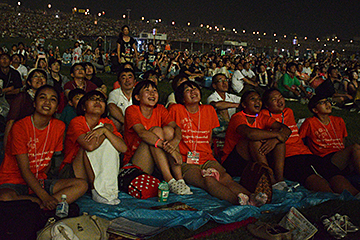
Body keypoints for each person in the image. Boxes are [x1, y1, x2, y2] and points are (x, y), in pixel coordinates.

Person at [169, 81, 267, 206]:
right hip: (186, 161)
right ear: (181, 98)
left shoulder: (208, 110)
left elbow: (209, 139)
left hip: (206, 158)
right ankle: (237, 200)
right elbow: (170, 133)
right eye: (187, 90)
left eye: (195, 88)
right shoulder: (176, 109)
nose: (193, 92)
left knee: (225, 178)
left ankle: (251, 197)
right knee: (208, 180)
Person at [0, 85, 88, 209]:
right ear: (34, 104)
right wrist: (45, 197)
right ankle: (45, 204)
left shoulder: (59, 126)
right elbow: (24, 169)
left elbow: (49, 162)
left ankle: (39, 205)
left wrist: (42, 191)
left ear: (57, 107)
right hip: (14, 181)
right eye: (43, 97)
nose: (47, 102)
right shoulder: (20, 127)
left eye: (53, 99)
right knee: (4, 197)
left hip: (40, 180)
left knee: (81, 185)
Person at [261, 88, 360, 194]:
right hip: (288, 157)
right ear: (267, 105)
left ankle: (355, 196)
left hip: (306, 153)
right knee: (310, 175)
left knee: (332, 173)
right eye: (274, 99)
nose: (279, 100)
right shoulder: (263, 116)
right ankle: (332, 197)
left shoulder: (288, 112)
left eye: (280, 97)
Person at [124, 80, 192, 195]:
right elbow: (141, 133)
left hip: (159, 161)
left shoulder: (160, 109)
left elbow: (176, 128)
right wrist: (169, 149)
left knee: (169, 131)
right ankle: (169, 180)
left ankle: (180, 180)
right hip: (138, 163)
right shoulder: (132, 110)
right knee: (156, 131)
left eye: (154, 90)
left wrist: (175, 142)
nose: (152, 94)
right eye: (147, 91)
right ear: (137, 97)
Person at [60, 90, 127, 205]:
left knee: (110, 142)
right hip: (73, 171)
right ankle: (96, 190)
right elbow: (89, 146)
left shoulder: (106, 123)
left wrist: (105, 130)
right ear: (84, 107)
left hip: (97, 170)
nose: (97, 101)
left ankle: (107, 189)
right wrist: (104, 132)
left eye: (101, 100)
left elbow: (123, 148)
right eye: (93, 99)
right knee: (92, 145)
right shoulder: (77, 122)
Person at [221, 90, 291, 188]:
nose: (257, 102)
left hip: (254, 159)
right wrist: (276, 134)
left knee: (280, 142)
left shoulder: (262, 117)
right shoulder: (237, 117)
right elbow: (250, 134)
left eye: (259, 99)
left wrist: (276, 139)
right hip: (233, 163)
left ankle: (280, 180)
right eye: (253, 99)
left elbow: (286, 129)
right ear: (244, 105)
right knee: (254, 140)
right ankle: (270, 179)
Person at [300, 95, 360, 179]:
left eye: (327, 101)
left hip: (340, 155)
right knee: (355, 148)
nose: (327, 104)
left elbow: (343, 140)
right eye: (322, 103)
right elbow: (300, 140)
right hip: (324, 158)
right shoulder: (310, 122)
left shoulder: (339, 120)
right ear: (315, 110)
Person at [4, 68, 47, 149]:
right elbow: (11, 121)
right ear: (29, 82)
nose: (39, 79)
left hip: (41, 140)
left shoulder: (48, 100)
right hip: (22, 139)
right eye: (35, 76)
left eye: (42, 76)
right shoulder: (22, 97)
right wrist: (6, 145)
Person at [207, 73, 240, 137]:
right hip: (218, 130)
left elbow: (245, 101)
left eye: (225, 80)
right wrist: (237, 105)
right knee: (223, 109)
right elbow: (217, 105)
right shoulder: (212, 97)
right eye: (220, 81)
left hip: (232, 125)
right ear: (214, 85)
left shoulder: (231, 96)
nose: (224, 83)